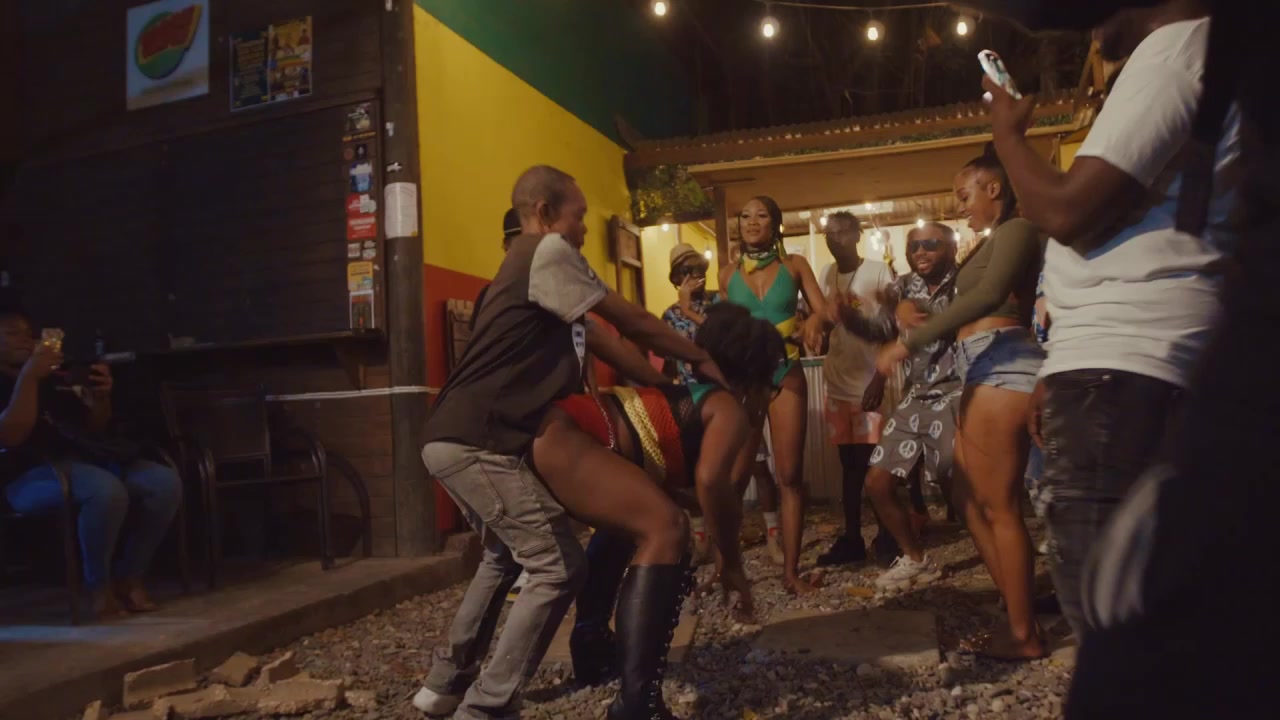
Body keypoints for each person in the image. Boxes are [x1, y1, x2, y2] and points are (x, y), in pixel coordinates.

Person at [414, 166, 725, 720]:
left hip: (455, 435)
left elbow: (609, 343)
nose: (584, 229)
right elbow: (630, 320)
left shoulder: (530, 274)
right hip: (478, 440)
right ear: (544, 213)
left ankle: (444, 684)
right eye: (578, 216)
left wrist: (667, 388)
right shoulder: (547, 252)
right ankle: (487, 707)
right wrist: (701, 359)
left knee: (504, 556)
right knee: (557, 563)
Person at [985, 0, 1240, 638]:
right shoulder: (1210, 55)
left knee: (1114, 628)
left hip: (1126, 368)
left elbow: (1067, 211)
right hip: (1134, 364)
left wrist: (1008, 137)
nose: (1087, 20)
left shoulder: (1177, 52)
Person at [550, 303, 782, 706]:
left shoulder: (692, 396)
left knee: (622, 527)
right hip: (576, 439)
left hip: (560, 428)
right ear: (757, 375)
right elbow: (712, 483)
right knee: (668, 533)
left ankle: (592, 642)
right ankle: (637, 699)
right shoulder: (726, 408)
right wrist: (731, 562)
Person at [877, 149, 1046, 659]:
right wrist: (910, 313)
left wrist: (911, 340)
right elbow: (967, 303)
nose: (960, 205)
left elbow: (991, 293)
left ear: (994, 188)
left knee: (1000, 506)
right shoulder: (995, 238)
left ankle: (1024, 634)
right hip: (981, 363)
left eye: (964, 194)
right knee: (971, 501)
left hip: (1003, 361)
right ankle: (1016, 608)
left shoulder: (1018, 228)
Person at [0, 307, 182, 619]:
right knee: (105, 490)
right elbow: (11, 437)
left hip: (84, 461)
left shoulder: (49, 378)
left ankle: (130, 576)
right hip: (26, 475)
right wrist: (29, 377)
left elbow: (92, 429)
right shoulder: (28, 377)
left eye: (29, 333)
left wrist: (101, 399)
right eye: (13, 333)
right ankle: (98, 587)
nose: (26, 340)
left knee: (163, 482)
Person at [826, 223, 962, 593]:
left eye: (930, 244)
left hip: (956, 391)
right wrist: (849, 317)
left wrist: (911, 309)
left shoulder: (965, 282)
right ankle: (916, 559)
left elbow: (949, 318)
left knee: (959, 488)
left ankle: (999, 559)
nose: (921, 251)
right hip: (916, 395)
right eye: (914, 246)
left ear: (952, 249)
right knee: (878, 482)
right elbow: (882, 331)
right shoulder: (903, 286)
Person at [719, 196, 828, 594]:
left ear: (776, 224)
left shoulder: (795, 265)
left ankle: (791, 574)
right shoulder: (727, 274)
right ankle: (727, 572)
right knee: (735, 479)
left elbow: (824, 310)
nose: (752, 222)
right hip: (745, 381)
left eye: (761, 215)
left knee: (790, 477)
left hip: (786, 373)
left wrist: (813, 321)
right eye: (745, 216)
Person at [811, 211, 897, 568]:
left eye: (843, 232)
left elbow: (892, 328)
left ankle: (888, 536)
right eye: (830, 234)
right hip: (837, 382)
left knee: (874, 464)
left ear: (858, 235)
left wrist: (880, 378)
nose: (835, 239)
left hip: (868, 384)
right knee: (848, 465)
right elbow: (826, 324)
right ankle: (852, 538)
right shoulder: (826, 274)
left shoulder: (878, 271)